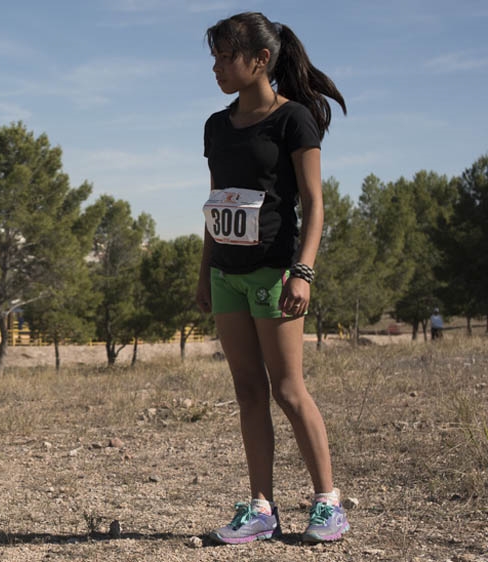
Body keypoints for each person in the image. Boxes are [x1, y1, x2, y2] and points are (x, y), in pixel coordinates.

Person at [196, 12, 349, 544]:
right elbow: (216, 204)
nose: (216, 67)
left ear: (261, 60)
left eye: (226, 57)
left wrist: (302, 272)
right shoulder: (216, 126)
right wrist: (204, 272)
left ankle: (328, 502)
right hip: (227, 276)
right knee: (247, 391)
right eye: (214, 57)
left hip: (275, 273)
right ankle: (261, 507)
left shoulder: (294, 121)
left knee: (287, 389)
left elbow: (314, 204)